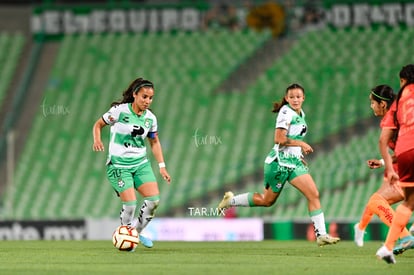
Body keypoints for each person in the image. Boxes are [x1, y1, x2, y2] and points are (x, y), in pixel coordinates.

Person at [218, 83, 340, 246]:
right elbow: (279, 139)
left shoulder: (300, 113)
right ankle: (231, 201)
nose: (295, 100)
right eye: (292, 97)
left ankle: (321, 235)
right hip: (278, 163)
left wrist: (297, 154)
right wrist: (301, 145)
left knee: (313, 194)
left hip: (293, 163)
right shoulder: (285, 112)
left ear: (303, 98)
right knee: (266, 201)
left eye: (298, 96)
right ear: (286, 98)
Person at [92, 77, 171, 249]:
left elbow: (154, 142)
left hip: (140, 164)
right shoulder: (119, 111)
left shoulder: (150, 118)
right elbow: (98, 124)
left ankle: (133, 234)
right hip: (119, 166)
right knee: (130, 205)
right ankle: (126, 237)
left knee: (153, 201)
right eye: (144, 96)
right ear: (135, 95)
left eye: (150, 98)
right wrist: (97, 140)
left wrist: (162, 166)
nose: (147, 101)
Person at [354, 85, 414, 247]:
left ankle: (406, 236)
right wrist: (382, 162)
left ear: (382, 104)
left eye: (372, 102)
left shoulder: (393, 119)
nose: (371, 106)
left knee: (376, 201)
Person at [376, 64, 414, 264]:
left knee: (402, 202)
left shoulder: (399, 105)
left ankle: (397, 241)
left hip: (407, 157)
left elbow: (387, 142)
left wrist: (388, 165)